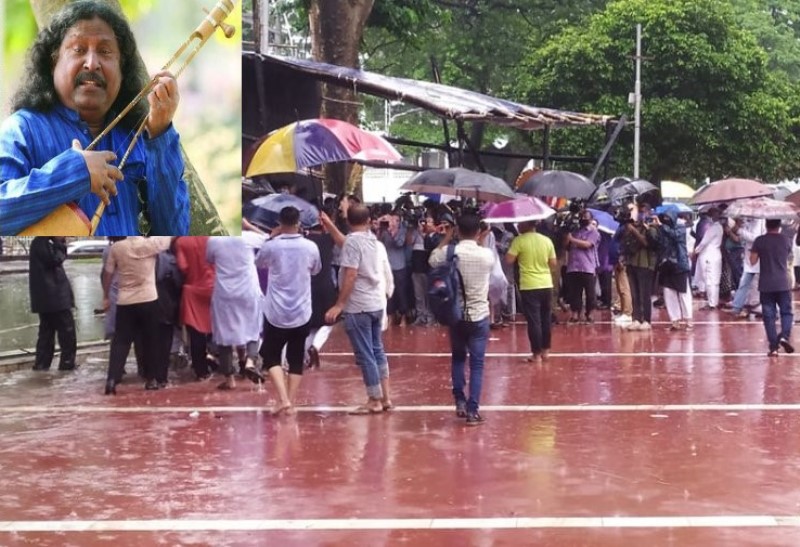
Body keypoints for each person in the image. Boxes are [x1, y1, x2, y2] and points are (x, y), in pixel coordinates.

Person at [0, 0, 188, 235]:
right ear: (53, 62)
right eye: (78, 50)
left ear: (122, 70)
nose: (92, 63)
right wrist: (75, 171)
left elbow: (174, 232)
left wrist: (160, 133)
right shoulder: (22, 130)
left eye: (105, 52)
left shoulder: (140, 136)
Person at [324, 205, 395, 415]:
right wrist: (329, 225)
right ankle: (386, 396)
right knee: (377, 350)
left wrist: (339, 304)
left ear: (348, 220)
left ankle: (374, 399)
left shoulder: (354, 242)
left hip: (359, 306)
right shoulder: (372, 240)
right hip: (375, 303)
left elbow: (351, 275)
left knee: (366, 354)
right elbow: (347, 244)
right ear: (369, 220)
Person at [252, 207, 321, 415]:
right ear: (299, 222)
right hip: (301, 309)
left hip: (276, 311)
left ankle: (283, 399)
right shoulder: (310, 247)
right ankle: (289, 401)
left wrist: (270, 238)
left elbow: (259, 263)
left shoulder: (272, 246)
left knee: (270, 355)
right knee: (296, 357)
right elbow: (316, 269)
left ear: (280, 223)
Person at [429, 213, 495, 425]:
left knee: (458, 357)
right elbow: (490, 268)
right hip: (479, 315)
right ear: (478, 231)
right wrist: (482, 240)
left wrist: (448, 236)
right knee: (477, 364)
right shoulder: (486, 255)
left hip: (455, 314)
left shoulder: (449, 252)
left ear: (457, 230)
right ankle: (472, 410)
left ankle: (459, 400)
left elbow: (432, 259)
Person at [102, 236, 171, 394]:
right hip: (148, 298)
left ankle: (112, 380)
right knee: (151, 339)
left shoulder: (117, 248)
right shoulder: (152, 244)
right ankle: (151, 379)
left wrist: (106, 296)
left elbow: (108, 274)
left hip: (125, 300)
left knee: (120, 341)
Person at [205, 236, 262, 391]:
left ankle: (229, 379)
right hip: (248, 290)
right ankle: (250, 361)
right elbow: (268, 240)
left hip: (225, 293)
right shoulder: (249, 237)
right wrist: (250, 226)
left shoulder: (214, 241)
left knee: (224, 335)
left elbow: (209, 259)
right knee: (252, 328)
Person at [505, 221, 556, 364]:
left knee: (534, 321)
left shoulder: (519, 240)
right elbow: (553, 263)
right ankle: (546, 351)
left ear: (526, 225)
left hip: (529, 285)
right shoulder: (547, 240)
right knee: (546, 319)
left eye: (520, 224)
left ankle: (536, 354)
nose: (518, 226)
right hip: (546, 283)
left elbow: (509, 260)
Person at [29, 236, 77, 371]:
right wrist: (59, 243)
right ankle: (67, 365)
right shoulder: (42, 243)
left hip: (49, 299)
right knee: (66, 334)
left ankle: (42, 366)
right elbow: (55, 259)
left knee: (46, 334)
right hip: (56, 299)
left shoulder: (41, 243)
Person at [751, 219, 794, 356]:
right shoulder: (786, 240)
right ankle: (784, 336)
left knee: (769, 316)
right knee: (786, 312)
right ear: (779, 225)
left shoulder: (759, 241)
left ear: (766, 225)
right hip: (783, 282)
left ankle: (773, 347)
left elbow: (752, 261)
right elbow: (787, 258)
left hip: (766, 284)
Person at [175, 236, 216, 380]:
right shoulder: (214, 238)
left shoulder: (181, 241)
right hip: (216, 288)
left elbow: (183, 267)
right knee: (220, 327)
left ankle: (201, 371)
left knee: (196, 333)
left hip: (193, 291)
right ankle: (225, 365)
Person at [617, 203, 659, 331]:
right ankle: (636, 318)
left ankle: (646, 319)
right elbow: (624, 242)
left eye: (642, 211)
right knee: (634, 293)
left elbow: (647, 243)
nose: (639, 214)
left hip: (645, 263)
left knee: (644, 293)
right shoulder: (630, 226)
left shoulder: (651, 226)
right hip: (632, 262)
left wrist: (634, 230)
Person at [654, 209, 693, 330]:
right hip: (667, 265)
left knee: (684, 293)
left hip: (680, 265)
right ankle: (674, 321)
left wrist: (661, 227)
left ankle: (688, 320)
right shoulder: (663, 229)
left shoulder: (680, 228)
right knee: (669, 293)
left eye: (667, 218)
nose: (665, 221)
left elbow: (675, 236)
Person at [564, 209, 600, 324]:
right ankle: (575, 313)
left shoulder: (593, 232)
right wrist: (567, 235)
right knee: (574, 292)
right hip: (573, 266)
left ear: (590, 219)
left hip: (588, 266)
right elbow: (566, 246)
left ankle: (590, 313)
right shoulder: (574, 231)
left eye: (586, 217)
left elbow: (587, 244)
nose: (583, 219)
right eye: (581, 216)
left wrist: (572, 239)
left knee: (590, 292)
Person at [692, 208, 724, 310]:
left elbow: (703, 243)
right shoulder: (719, 227)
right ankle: (714, 301)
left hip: (709, 256)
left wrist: (694, 252)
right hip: (716, 255)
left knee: (709, 279)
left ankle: (712, 303)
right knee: (715, 280)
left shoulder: (713, 228)